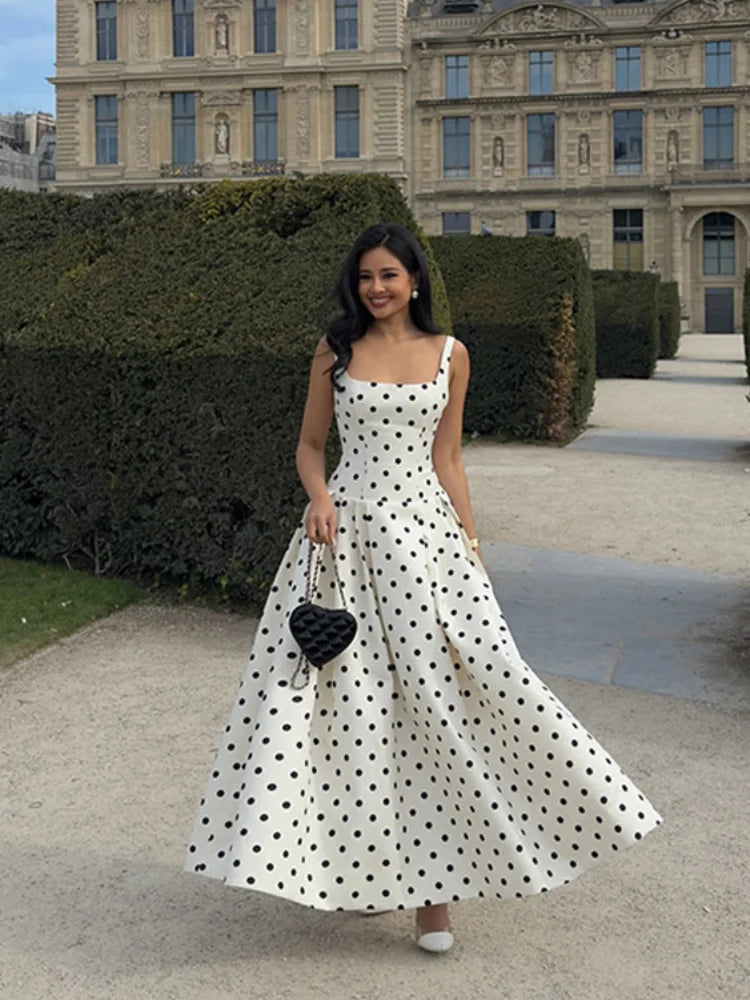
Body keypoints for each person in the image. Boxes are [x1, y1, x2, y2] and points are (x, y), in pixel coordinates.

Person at [183, 221, 663, 954]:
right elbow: (311, 446)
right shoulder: (334, 351)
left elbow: (450, 460)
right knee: (343, 715)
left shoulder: (451, 355)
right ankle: (354, 871)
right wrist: (319, 497)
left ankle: (434, 898)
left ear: (415, 282)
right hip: (343, 547)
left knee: (445, 703)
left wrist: (470, 546)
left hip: (426, 548)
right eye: (367, 277)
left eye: (390, 276)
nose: (377, 289)